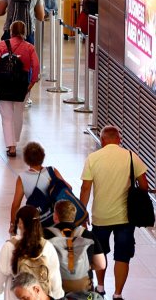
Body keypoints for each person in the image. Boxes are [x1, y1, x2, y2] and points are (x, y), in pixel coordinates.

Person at [79, 125, 150, 300]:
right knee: (123, 256)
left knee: (100, 252)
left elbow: (85, 187)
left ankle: (101, 287)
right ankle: (117, 294)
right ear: (119, 139)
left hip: (100, 216)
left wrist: (82, 213)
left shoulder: (93, 158)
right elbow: (144, 185)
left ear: (102, 141)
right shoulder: (132, 156)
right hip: (126, 217)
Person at [0, 205, 65, 299]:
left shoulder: (9, 246)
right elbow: (55, 279)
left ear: (20, 223)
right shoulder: (47, 246)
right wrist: (58, 296)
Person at [0, 21, 41, 157]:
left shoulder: (2, 45)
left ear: (10, 31)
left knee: (6, 116)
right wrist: (32, 83)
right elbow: (36, 66)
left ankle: (11, 145)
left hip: (4, 84)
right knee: (18, 113)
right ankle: (16, 139)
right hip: (22, 84)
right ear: (25, 31)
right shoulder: (29, 47)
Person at [44, 200, 107, 296]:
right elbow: (101, 265)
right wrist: (83, 266)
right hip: (84, 290)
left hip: (56, 290)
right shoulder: (87, 234)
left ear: (56, 216)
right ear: (73, 217)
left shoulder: (45, 235)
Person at [9, 142, 72, 232]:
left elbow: (16, 205)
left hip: (36, 224)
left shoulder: (22, 177)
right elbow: (68, 188)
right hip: (55, 222)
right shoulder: (52, 171)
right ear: (42, 156)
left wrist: (12, 224)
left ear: (26, 159)